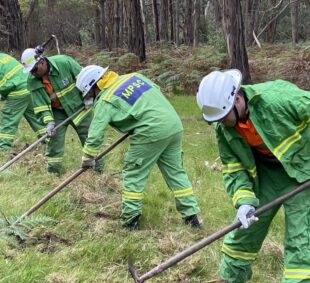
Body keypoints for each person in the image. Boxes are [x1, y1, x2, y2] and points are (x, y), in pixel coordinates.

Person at [196, 69, 310, 283]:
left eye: (225, 117)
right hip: (269, 174)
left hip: (305, 171)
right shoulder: (225, 128)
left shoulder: (280, 99)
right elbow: (234, 169)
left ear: (237, 100)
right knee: (245, 231)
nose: (223, 124)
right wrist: (244, 201)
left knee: (301, 240)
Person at [75, 65, 201, 230]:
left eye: (90, 93)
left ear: (95, 86)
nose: (92, 97)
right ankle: (192, 219)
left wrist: (87, 158)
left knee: (134, 173)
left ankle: (130, 222)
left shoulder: (106, 99)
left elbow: (95, 133)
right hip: (173, 124)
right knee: (176, 172)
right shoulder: (134, 77)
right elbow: (154, 93)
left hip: (150, 131)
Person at [21, 48, 102, 175]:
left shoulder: (64, 62)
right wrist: (49, 122)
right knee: (54, 142)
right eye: (30, 71)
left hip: (80, 106)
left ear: (41, 62)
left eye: (34, 69)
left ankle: (99, 172)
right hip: (57, 112)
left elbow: (85, 78)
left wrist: (89, 96)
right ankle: (53, 174)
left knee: (90, 139)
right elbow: (40, 106)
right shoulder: (32, 81)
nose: (33, 73)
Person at [0, 53, 45, 152]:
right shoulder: (3, 56)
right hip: (29, 86)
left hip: (17, 90)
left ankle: (3, 149)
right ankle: (48, 141)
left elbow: (6, 84)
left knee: (8, 121)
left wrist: (2, 94)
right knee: (36, 118)